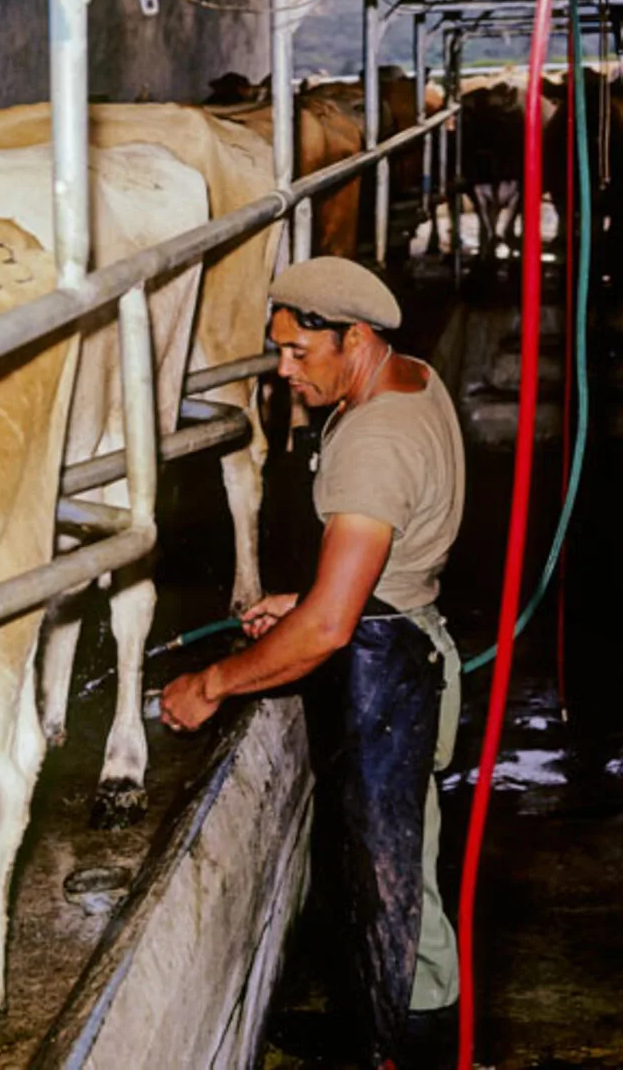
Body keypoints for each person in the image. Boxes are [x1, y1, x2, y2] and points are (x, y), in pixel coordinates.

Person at [160, 256, 464, 1070]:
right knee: (379, 868)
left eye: (300, 353)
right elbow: (374, 563)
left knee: (394, 879)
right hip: (396, 631)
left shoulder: (371, 444)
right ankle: (377, 1026)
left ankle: (406, 1047)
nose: (285, 373)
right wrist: (313, 594)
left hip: (386, 668)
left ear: (354, 338)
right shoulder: (412, 379)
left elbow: (330, 630)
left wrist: (212, 683)